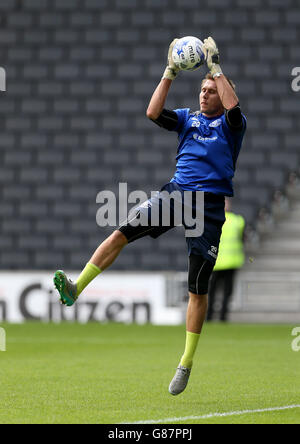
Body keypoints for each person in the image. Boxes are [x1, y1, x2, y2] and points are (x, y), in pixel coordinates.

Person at [53, 37, 247, 396]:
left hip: (208, 207)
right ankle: (75, 289)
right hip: (175, 194)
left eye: (211, 90)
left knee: (196, 288)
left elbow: (235, 110)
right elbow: (152, 112)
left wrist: (216, 68)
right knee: (120, 233)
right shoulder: (188, 119)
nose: (204, 95)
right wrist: (170, 71)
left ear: (222, 94)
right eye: (202, 89)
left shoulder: (232, 125)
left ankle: (185, 362)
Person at [207, 198, 245, 322]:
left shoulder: (212, 220)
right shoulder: (237, 221)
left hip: (219, 263)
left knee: (213, 292)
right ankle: (221, 318)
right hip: (228, 262)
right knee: (225, 293)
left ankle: (211, 318)